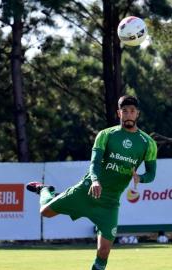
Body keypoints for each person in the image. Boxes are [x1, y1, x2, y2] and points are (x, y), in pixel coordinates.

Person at [27, 95, 157, 270]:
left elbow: (151, 174)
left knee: (103, 252)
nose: (128, 114)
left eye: (132, 111)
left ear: (138, 114)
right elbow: (94, 164)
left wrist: (140, 178)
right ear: (119, 113)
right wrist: (95, 181)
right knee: (45, 212)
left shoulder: (148, 144)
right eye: (124, 111)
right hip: (88, 190)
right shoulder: (106, 135)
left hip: (110, 203)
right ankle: (44, 190)